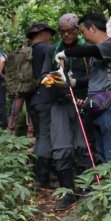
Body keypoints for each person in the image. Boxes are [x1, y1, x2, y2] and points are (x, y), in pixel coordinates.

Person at [55, 13, 111, 163]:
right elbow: (96, 79)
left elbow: (87, 51)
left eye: (83, 32)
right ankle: (105, 186)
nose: (83, 36)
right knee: (101, 156)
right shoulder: (98, 52)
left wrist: (66, 53)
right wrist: (75, 83)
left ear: (93, 28)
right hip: (98, 108)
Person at [48, 13, 94, 210]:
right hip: (61, 102)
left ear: (78, 30)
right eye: (62, 31)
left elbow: (96, 76)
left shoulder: (87, 49)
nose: (66, 35)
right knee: (61, 148)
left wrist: (80, 90)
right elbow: (45, 74)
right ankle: (67, 191)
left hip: (83, 102)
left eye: (70, 31)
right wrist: (53, 82)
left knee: (84, 146)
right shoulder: (55, 50)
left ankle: (87, 189)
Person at [25, 23, 57, 189]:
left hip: (31, 99)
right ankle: (43, 178)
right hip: (45, 98)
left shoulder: (26, 51)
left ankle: (38, 173)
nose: (51, 37)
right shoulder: (47, 49)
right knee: (46, 136)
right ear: (43, 34)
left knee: (39, 136)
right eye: (50, 34)